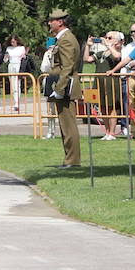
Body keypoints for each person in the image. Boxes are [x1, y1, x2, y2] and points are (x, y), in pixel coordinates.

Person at [46, 9, 83, 168]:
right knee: (65, 125)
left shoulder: (66, 39)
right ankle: (70, 159)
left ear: (60, 22)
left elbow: (67, 67)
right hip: (64, 86)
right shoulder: (62, 38)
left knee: (68, 125)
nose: (49, 23)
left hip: (66, 87)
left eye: (51, 20)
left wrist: (60, 89)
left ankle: (72, 161)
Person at [84, 31, 124, 139]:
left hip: (111, 83)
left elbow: (117, 57)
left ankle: (112, 132)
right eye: (106, 37)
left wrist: (109, 46)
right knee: (102, 107)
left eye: (110, 38)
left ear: (116, 40)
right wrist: (88, 45)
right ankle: (107, 132)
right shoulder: (101, 53)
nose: (107, 39)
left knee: (112, 107)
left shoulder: (117, 51)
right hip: (99, 83)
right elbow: (87, 59)